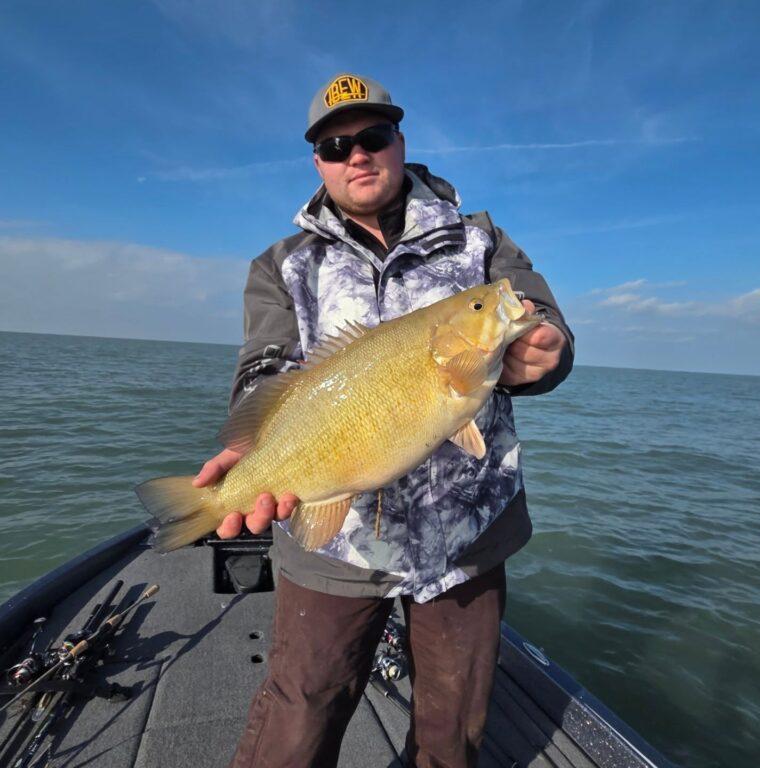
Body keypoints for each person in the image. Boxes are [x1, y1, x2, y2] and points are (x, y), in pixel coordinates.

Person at [195, 74, 573, 768]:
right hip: (333, 546)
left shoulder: (480, 240)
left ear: (401, 142)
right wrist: (252, 461)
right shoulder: (282, 265)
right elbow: (265, 370)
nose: (357, 155)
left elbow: (539, 316)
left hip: (468, 538)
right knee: (299, 713)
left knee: (452, 729)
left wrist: (547, 350)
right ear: (318, 162)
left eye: (373, 137)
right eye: (336, 145)